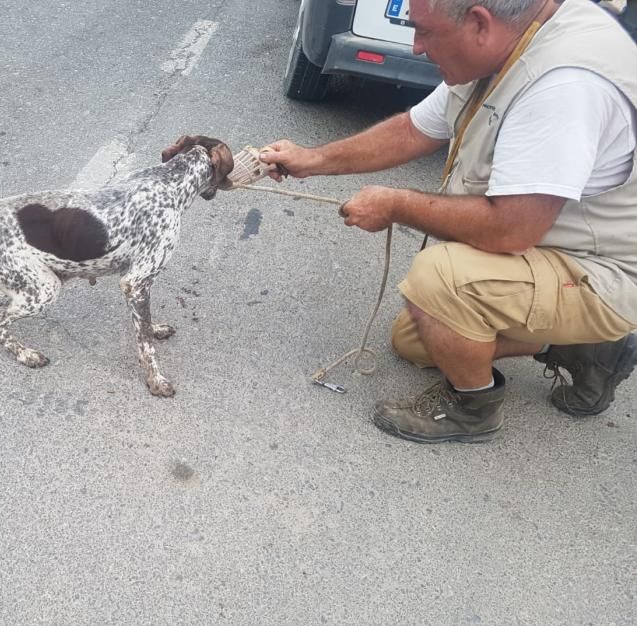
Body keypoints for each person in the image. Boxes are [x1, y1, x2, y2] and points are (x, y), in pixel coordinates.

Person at [261, 0, 637, 443]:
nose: (417, 48)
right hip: (550, 242)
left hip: (603, 270)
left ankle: (473, 409)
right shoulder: (510, 40)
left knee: (439, 281)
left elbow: (511, 229)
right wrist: (313, 159)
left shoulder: (564, 88)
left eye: (424, 32)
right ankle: (582, 347)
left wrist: (396, 204)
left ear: (479, 22)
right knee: (416, 339)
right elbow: (414, 129)